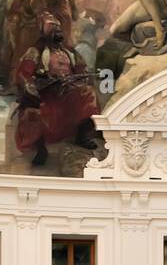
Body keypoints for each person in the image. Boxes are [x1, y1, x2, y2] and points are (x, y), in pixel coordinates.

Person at [11, 11, 101, 167]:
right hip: (46, 97)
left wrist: (80, 80)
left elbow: (82, 70)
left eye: (57, 26)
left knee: (89, 94)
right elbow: (23, 75)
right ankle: (40, 149)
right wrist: (36, 85)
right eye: (51, 27)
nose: (56, 30)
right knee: (32, 114)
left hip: (68, 94)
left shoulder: (70, 52)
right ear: (42, 31)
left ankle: (82, 136)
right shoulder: (35, 52)